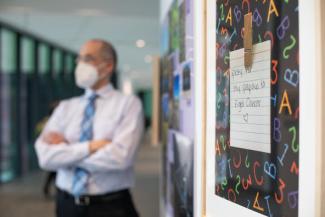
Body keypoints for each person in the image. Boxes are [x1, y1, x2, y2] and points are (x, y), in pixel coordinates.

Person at [35, 39, 144, 217]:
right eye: (79, 59)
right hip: (66, 205)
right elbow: (45, 158)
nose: (79, 64)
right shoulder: (65, 107)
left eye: (88, 59)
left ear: (108, 66)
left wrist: (66, 153)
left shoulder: (128, 104)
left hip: (110, 207)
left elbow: (120, 158)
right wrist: (90, 147)